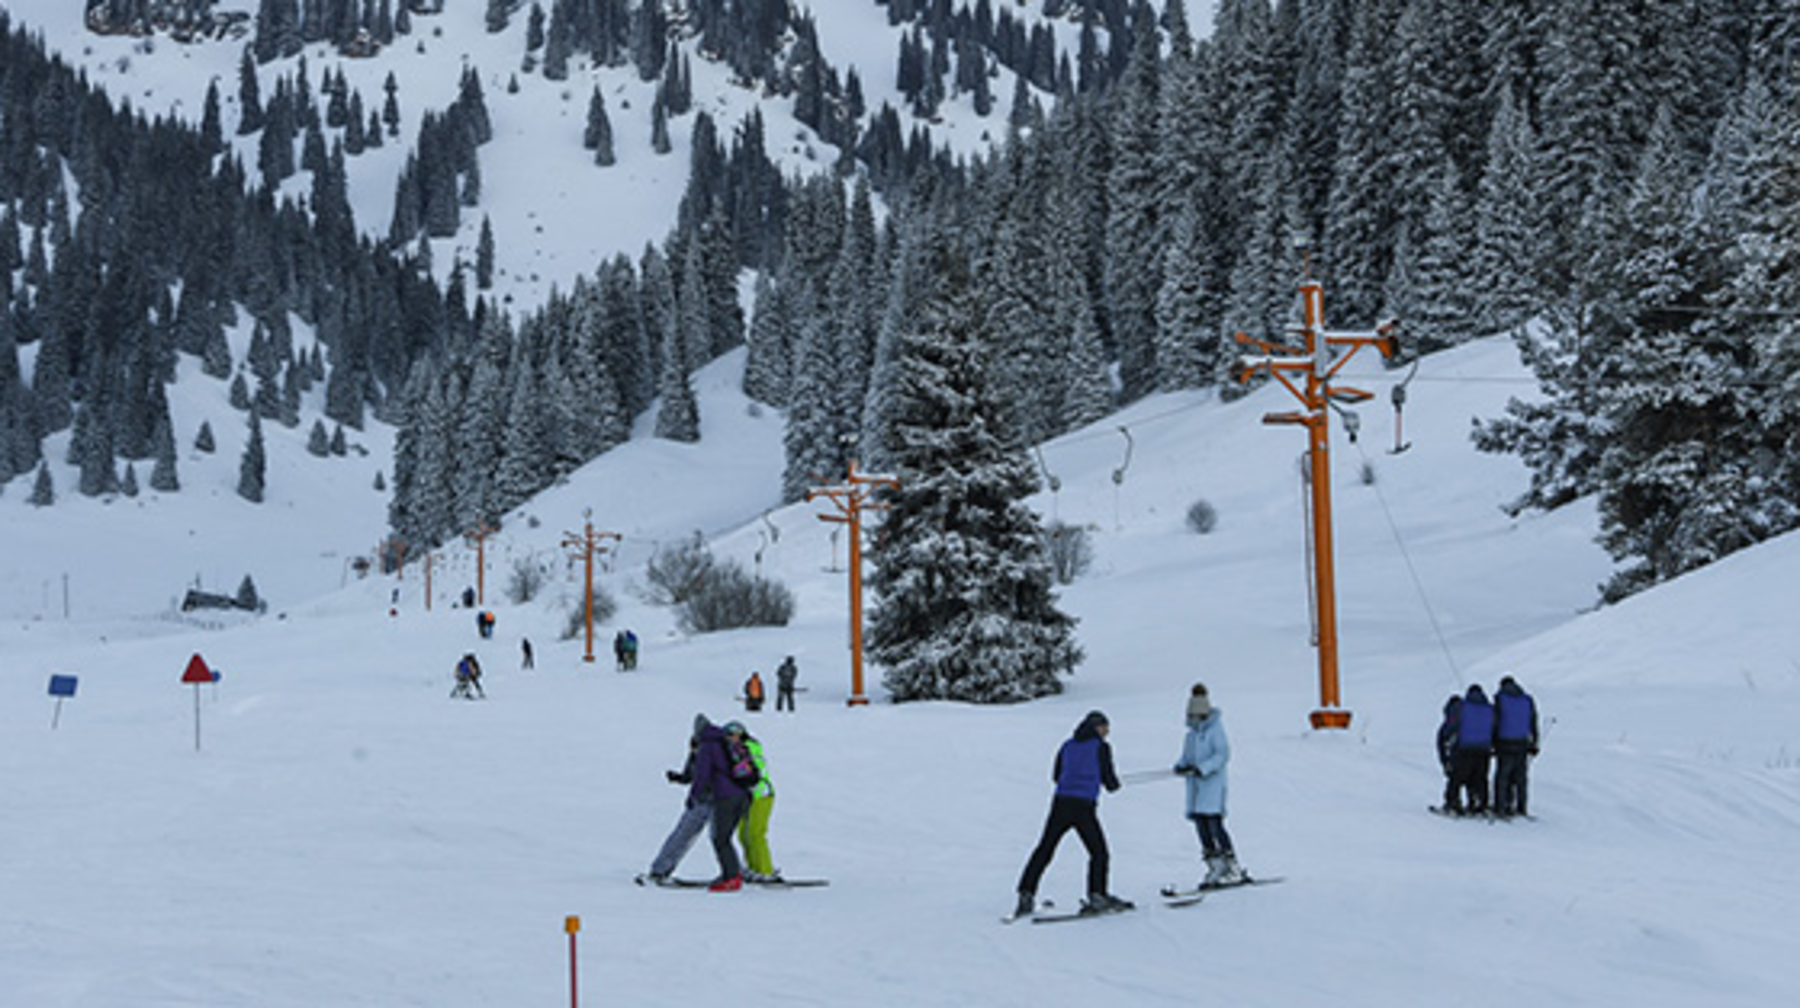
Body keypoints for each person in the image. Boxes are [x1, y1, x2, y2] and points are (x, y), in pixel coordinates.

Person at [1014, 710, 1133, 918]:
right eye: (1105, 727)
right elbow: (1109, 781)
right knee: (1098, 852)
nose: (1107, 732)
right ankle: (1097, 895)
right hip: (1083, 806)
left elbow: (1056, 775)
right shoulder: (1101, 747)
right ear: (1097, 727)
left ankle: (1026, 893)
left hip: (1060, 803)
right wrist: (1112, 784)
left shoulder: (1067, 745)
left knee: (1045, 848)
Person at [1174, 683, 1248, 887]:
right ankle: (1214, 866)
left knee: (1215, 825)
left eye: (1198, 715)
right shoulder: (1190, 736)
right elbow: (1186, 757)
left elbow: (1222, 755)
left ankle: (1231, 866)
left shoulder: (1216, 731)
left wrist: (1203, 768)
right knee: (1201, 827)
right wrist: (1181, 767)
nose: (1195, 719)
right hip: (1196, 790)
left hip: (1212, 788)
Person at [641, 716, 714, 885]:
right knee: (690, 835)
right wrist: (679, 778)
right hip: (704, 799)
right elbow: (693, 774)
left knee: (718, 839)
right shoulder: (697, 745)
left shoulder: (713, 746)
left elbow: (705, 776)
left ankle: (737, 872)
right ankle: (660, 870)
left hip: (714, 799)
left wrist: (693, 795)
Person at [691, 714, 752, 891]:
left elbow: (702, 774)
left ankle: (732, 878)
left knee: (720, 838)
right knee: (725, 837)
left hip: (726, 797)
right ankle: (732, 873)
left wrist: (693, 796)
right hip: (743, 795)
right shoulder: (727, 742)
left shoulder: (708, 746)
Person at [728, 722, 780, 882]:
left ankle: (765, 869)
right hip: (747, 796)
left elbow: (755, 768)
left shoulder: (749, 747)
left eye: (733, 735)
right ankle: (753, 867)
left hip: (761, 794)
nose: (731, 739)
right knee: (743, 834)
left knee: (756, 834)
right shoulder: (735, 750)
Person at [1491, 675, 1540, 818]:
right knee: (1521, 778)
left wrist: (1493, 743)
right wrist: (1534, 742)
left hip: (1504, 743)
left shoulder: (1500, 699)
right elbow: (1533, 722)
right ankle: (1521, 807)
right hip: (1522, 743)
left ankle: (1501, 807)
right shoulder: (1527, 700)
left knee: (1503, 777)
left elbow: (1495, 722)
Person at [1450, 683, 1496, 815]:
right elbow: (1495, 727)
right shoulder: (1490, 709)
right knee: (1481, 778)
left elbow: (1453, 725)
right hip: (1484, 749)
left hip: (1464, 748)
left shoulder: (1462, 707)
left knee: (1457, 777)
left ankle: (1453, 803)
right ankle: (1481, 803)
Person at [1435, 693, 1464, 813]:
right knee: (1476, 778)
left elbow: (1441, 742)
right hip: (1476, 750)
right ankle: (1477, 803)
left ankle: (1452, 803)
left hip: (1455, 752)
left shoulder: (1450, 719)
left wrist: (1445, 762)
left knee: (1454, 779)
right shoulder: (1470, 715)